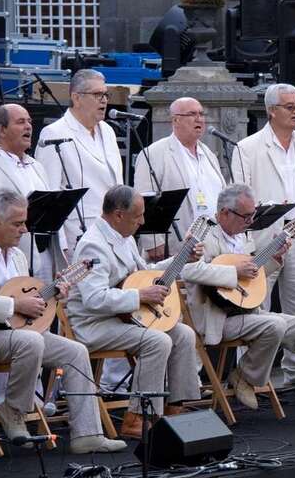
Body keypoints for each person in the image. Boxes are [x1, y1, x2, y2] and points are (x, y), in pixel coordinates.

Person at [0, 189, 126, 453]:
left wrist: (54, 296)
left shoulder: (17, 255)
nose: (25, 230)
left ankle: (87, 434)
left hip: (16, 333)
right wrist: (16, 305)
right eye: (17, 223)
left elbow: (28, 303)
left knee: (75, 352)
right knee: (30, 341)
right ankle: (13, 410)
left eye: (24, 222)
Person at [181, 184, 295, 420]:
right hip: (217, 319)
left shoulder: (244, 237)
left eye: (252, 215)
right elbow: (188, 270)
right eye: (246, 216)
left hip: (247, 313)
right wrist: (233, 270)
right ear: (225, 213)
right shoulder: (204, 232)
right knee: (274, 325)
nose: (250, 221)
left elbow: (250, 281)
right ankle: (245, 376)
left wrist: (275, 258)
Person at [66, 185, 201, 437]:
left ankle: (174, 410)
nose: (142, 221)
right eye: (138, 215)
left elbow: (145, 272)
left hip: (124, 318)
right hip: (95, 323)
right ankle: (137, 417)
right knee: (157, 341)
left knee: (182, 334)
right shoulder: (93, 245)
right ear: (118, 215)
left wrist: (182, 258)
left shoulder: (123, 238)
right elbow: (94, 299)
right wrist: (139, 295)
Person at [231, 83, 295, 385]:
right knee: (257, 304)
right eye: (290, 106)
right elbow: (239, 194)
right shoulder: (247, 148)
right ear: (272, 111)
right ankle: (248, 374)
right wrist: (247, 240)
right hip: (264, 237)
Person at [0, 104, 68, 284]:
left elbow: (53, 212)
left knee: (46, 310)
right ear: (2, 129)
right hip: (8, 264)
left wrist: (62, 251)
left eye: (29, 122)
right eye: (20, 122)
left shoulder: (37, 166)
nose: (28, 126)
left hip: (45, 257)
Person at [35, 69, 123, 255]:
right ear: (76, 98)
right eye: (97, 94)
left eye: (105, 94)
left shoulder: (107, 131)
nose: (104, 100)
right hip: (78, 234)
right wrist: (61, 246)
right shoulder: (54, 133)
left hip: (114, 231)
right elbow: (49, 194)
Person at [134, 97, 225, 261]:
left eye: (201, 114)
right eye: (192, 114)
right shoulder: (154, 153)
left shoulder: (209, 154)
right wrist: (153, 241)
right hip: (175, 246)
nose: (199, 119)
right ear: (176, 120)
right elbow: (144, 199)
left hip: (213, 245)